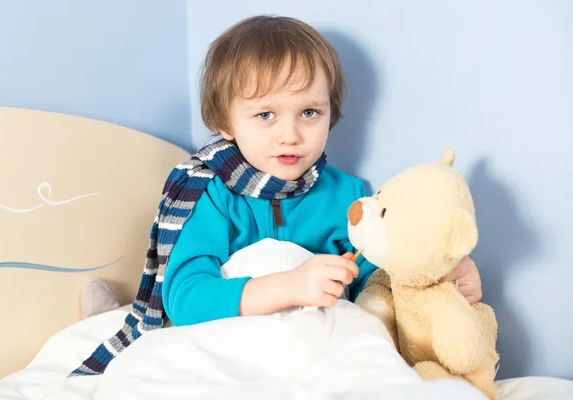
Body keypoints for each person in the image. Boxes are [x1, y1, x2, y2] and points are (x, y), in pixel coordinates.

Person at [70, 14, 482, 377]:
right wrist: (288, 286)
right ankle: (107, 320)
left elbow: (378, 290)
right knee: (147, 367)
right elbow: (185, 299)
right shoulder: (210, 194)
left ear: (330, 113)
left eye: (309, 112)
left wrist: (445, 279)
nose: (290, 134)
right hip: (229, 349)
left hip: (312, 352)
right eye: (265, 114)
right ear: (224, 121)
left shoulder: (350, 198)